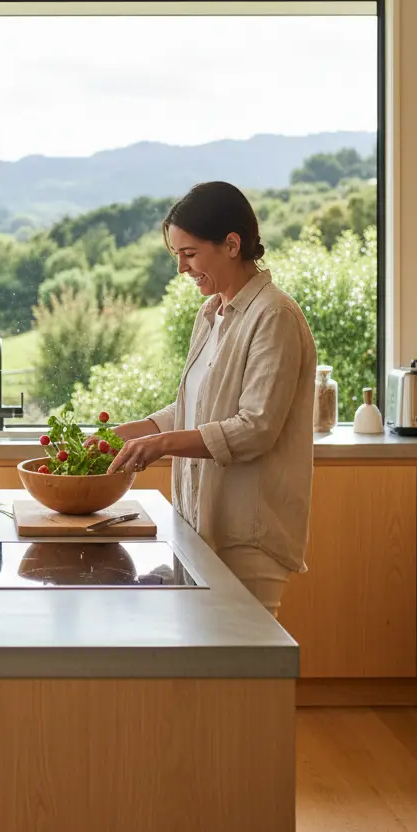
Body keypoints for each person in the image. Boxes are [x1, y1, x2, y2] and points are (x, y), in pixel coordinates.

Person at [107, 182, 317, 617]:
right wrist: (124, 435)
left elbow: (255, 428)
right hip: (199, 525)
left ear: (232, 244)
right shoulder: (212, 314)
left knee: (245, 678)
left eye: (190, 254)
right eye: (176, 256)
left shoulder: (274, 316)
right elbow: (194, 410)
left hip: (246, 534)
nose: (181, 268)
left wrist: (161, 446)